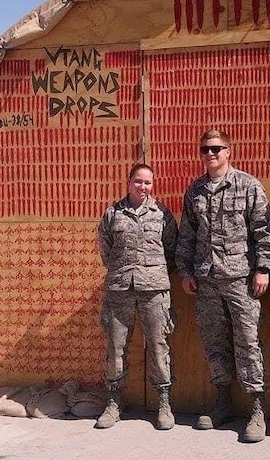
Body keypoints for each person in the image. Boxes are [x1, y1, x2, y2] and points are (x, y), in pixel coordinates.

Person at [175, 129, 270, 443]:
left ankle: (257, 409)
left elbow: (263, 231)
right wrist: (186, 272)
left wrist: (263, 269)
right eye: (205, 149)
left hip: (240, 278)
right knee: (214, 342)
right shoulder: (195, 190)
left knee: (248, 340)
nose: (210, 154)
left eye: (216, 148)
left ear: (229, 151)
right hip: (207, 280)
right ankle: (223, 402)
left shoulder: (248, 186)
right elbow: (187, 235)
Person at [95, 163, 178, 430]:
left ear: (153, 185)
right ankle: (113, 403)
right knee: (116, 347)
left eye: (147, 182)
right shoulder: (113, 214)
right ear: (129, 182)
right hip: (120, 290)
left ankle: (164, 403)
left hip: (154, 290)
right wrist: (123, 270)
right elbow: (105, 250)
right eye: (138, 181)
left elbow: (172, 249)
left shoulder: (162, 214)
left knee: (158, 345)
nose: (143, 187)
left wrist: (153, 274)